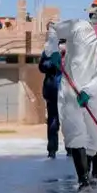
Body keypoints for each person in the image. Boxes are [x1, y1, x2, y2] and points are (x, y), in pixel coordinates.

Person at [44, 0, 97, 189]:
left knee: (93, 138)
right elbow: (53, 30)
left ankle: (89, 174)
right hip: (71, 92)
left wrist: (89, 90)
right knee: (76, 134)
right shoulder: (77, 27)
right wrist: (52, 50)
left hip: (93, 94)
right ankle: (83, 180)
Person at [38, 22, 64, 159]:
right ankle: (52, 150)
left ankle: (73, 149)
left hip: (68, 92)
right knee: (53, 121)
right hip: (52, 91)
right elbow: (42, 67)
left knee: (70, 121)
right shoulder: (48, 50)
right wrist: (52, 63)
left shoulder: (69, 49)